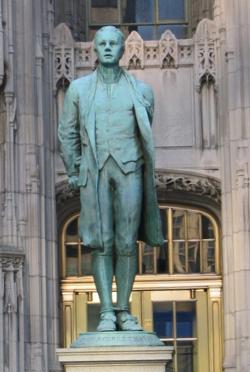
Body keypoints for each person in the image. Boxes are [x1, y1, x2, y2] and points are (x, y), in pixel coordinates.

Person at [58, 26, 163, 332]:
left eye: (112, 43)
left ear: (122, 49)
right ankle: (106, 311)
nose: (106, 48)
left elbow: (144, 130)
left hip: (129, 170)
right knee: (100, 243)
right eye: (101, 43)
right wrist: (74, 170)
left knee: (126, 242)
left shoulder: (142, 91)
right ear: (95, 49)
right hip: (96, 171)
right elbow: (68, 132)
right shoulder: (79, 89)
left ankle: (124, 310)